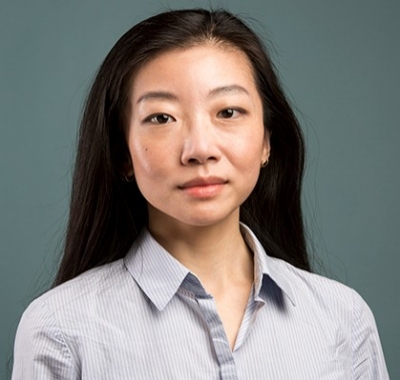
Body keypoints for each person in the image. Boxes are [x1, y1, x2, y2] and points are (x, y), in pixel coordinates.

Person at [12, 8, 389, 379]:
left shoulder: (343, 320)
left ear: (267, 142)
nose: (200, 148)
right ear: (123, 153)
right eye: (162, 118)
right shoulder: (60, 331)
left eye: (228, 112)